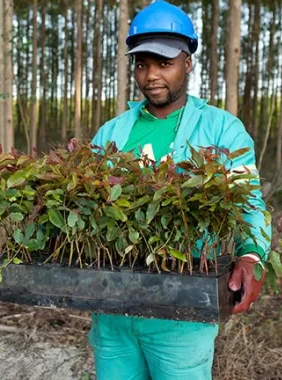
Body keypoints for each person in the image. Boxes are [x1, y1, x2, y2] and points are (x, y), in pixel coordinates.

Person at [89, 1, 271, 379]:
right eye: (142, 64)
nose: (151, 75)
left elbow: (249, 201)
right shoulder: (112, 133)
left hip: (182, 314)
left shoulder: (222, 131)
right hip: (112, 311)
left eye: (164, 63)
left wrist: (251, 256)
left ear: (188, 63)